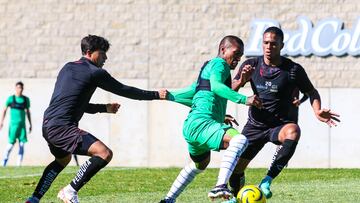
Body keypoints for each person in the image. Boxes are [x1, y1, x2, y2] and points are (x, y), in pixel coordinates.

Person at [25, 34, 167, 203]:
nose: (106, 57)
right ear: (90, 52)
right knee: (104, 153)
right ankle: (70, 191)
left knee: (63, 159)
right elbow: (125, 90)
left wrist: (104, 108)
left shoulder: (67, 67)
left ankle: (34, 199)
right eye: (103, 53)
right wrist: (156, 95)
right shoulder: (95, 72)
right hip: (63, 127)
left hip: (48, 125)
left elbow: (74, 102)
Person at [226, 26, 340, 201]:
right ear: (261, 44)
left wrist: (317, 110)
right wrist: (241, 80)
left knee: (294, 131)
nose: (269, 47)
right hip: (255, 125)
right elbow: (229, 91)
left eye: (273, 43)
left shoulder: (293, 70)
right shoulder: (251, 65)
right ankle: (236, 197)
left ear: (281, 45)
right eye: (265, 43)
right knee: (236, 170)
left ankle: (267, 180)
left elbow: (312, 92)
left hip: (280, 125)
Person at [160, 35, 262, 203]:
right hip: (203, 124)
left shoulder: (208, 68)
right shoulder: (219, 64)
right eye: (236, 53)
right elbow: (216, 86)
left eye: (241, 55)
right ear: (223, 50)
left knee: (200, 164)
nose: (238, 58)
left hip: (191, 127)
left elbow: (196, 93)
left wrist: (168, 95)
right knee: (240, 140)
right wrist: (245, 99)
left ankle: (168, 200)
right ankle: (220, 186)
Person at [0, 81, 32, 167]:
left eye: (21, 88)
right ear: (16, 88)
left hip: (22, 127)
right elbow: (4, 110)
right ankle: (3, 163)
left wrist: (30, 124)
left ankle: (18, 165)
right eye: (18, 88)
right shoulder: (11, 99)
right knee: (10, 145)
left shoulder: (26, 100)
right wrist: (1, 122)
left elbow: (28, 112)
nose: (20, 89)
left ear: (23, 89)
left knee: (22, 145)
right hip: (13, 126)